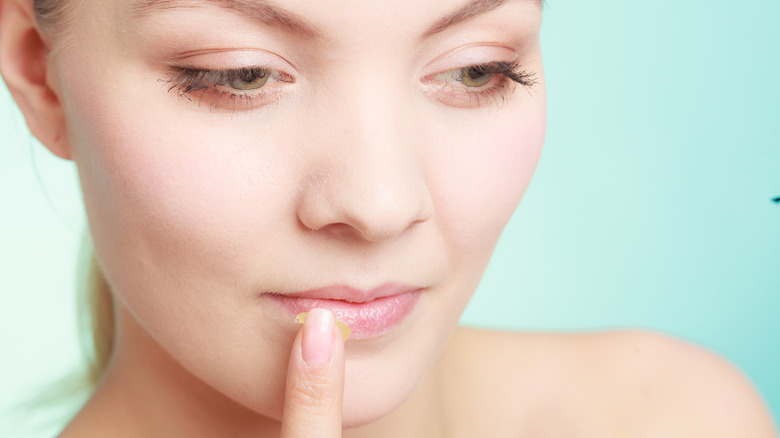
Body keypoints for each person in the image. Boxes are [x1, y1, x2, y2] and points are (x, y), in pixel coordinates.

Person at [0, 0, 777, 436]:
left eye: (476, 69)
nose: (380, 204)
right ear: (41, 75)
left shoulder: (675, 416)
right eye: (238, 75)